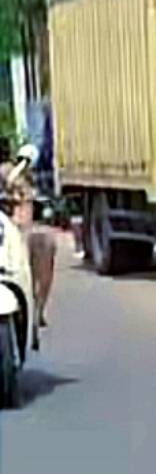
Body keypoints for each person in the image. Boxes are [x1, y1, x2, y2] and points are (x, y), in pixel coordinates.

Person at [0, 138, 56, 330]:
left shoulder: (22, 174)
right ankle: (35, 311)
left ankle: (36, 311)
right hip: (19, 228)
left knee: (34, 268)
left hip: (25, 228)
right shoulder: (12, 173)